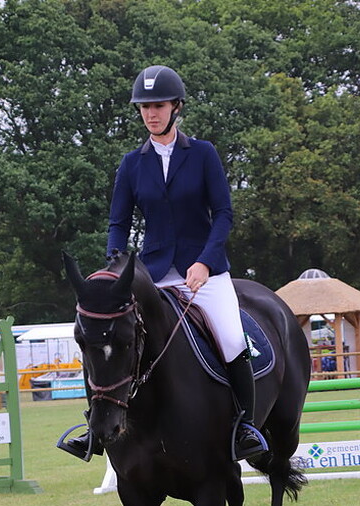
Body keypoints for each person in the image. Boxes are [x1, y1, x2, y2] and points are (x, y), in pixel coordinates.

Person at [66, 65, 268, 462]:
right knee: (105, 338)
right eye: (144, 107)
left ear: (176, 108)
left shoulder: (203, 154)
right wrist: (115, 269)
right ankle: (94, 429)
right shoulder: (131, 164)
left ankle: (245, 427)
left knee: (230, 338)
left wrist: (206, 263)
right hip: (152, 276)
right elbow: (118, 223)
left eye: (157, 106)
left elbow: (223, 213)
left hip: (204, 274)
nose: (150, 114)